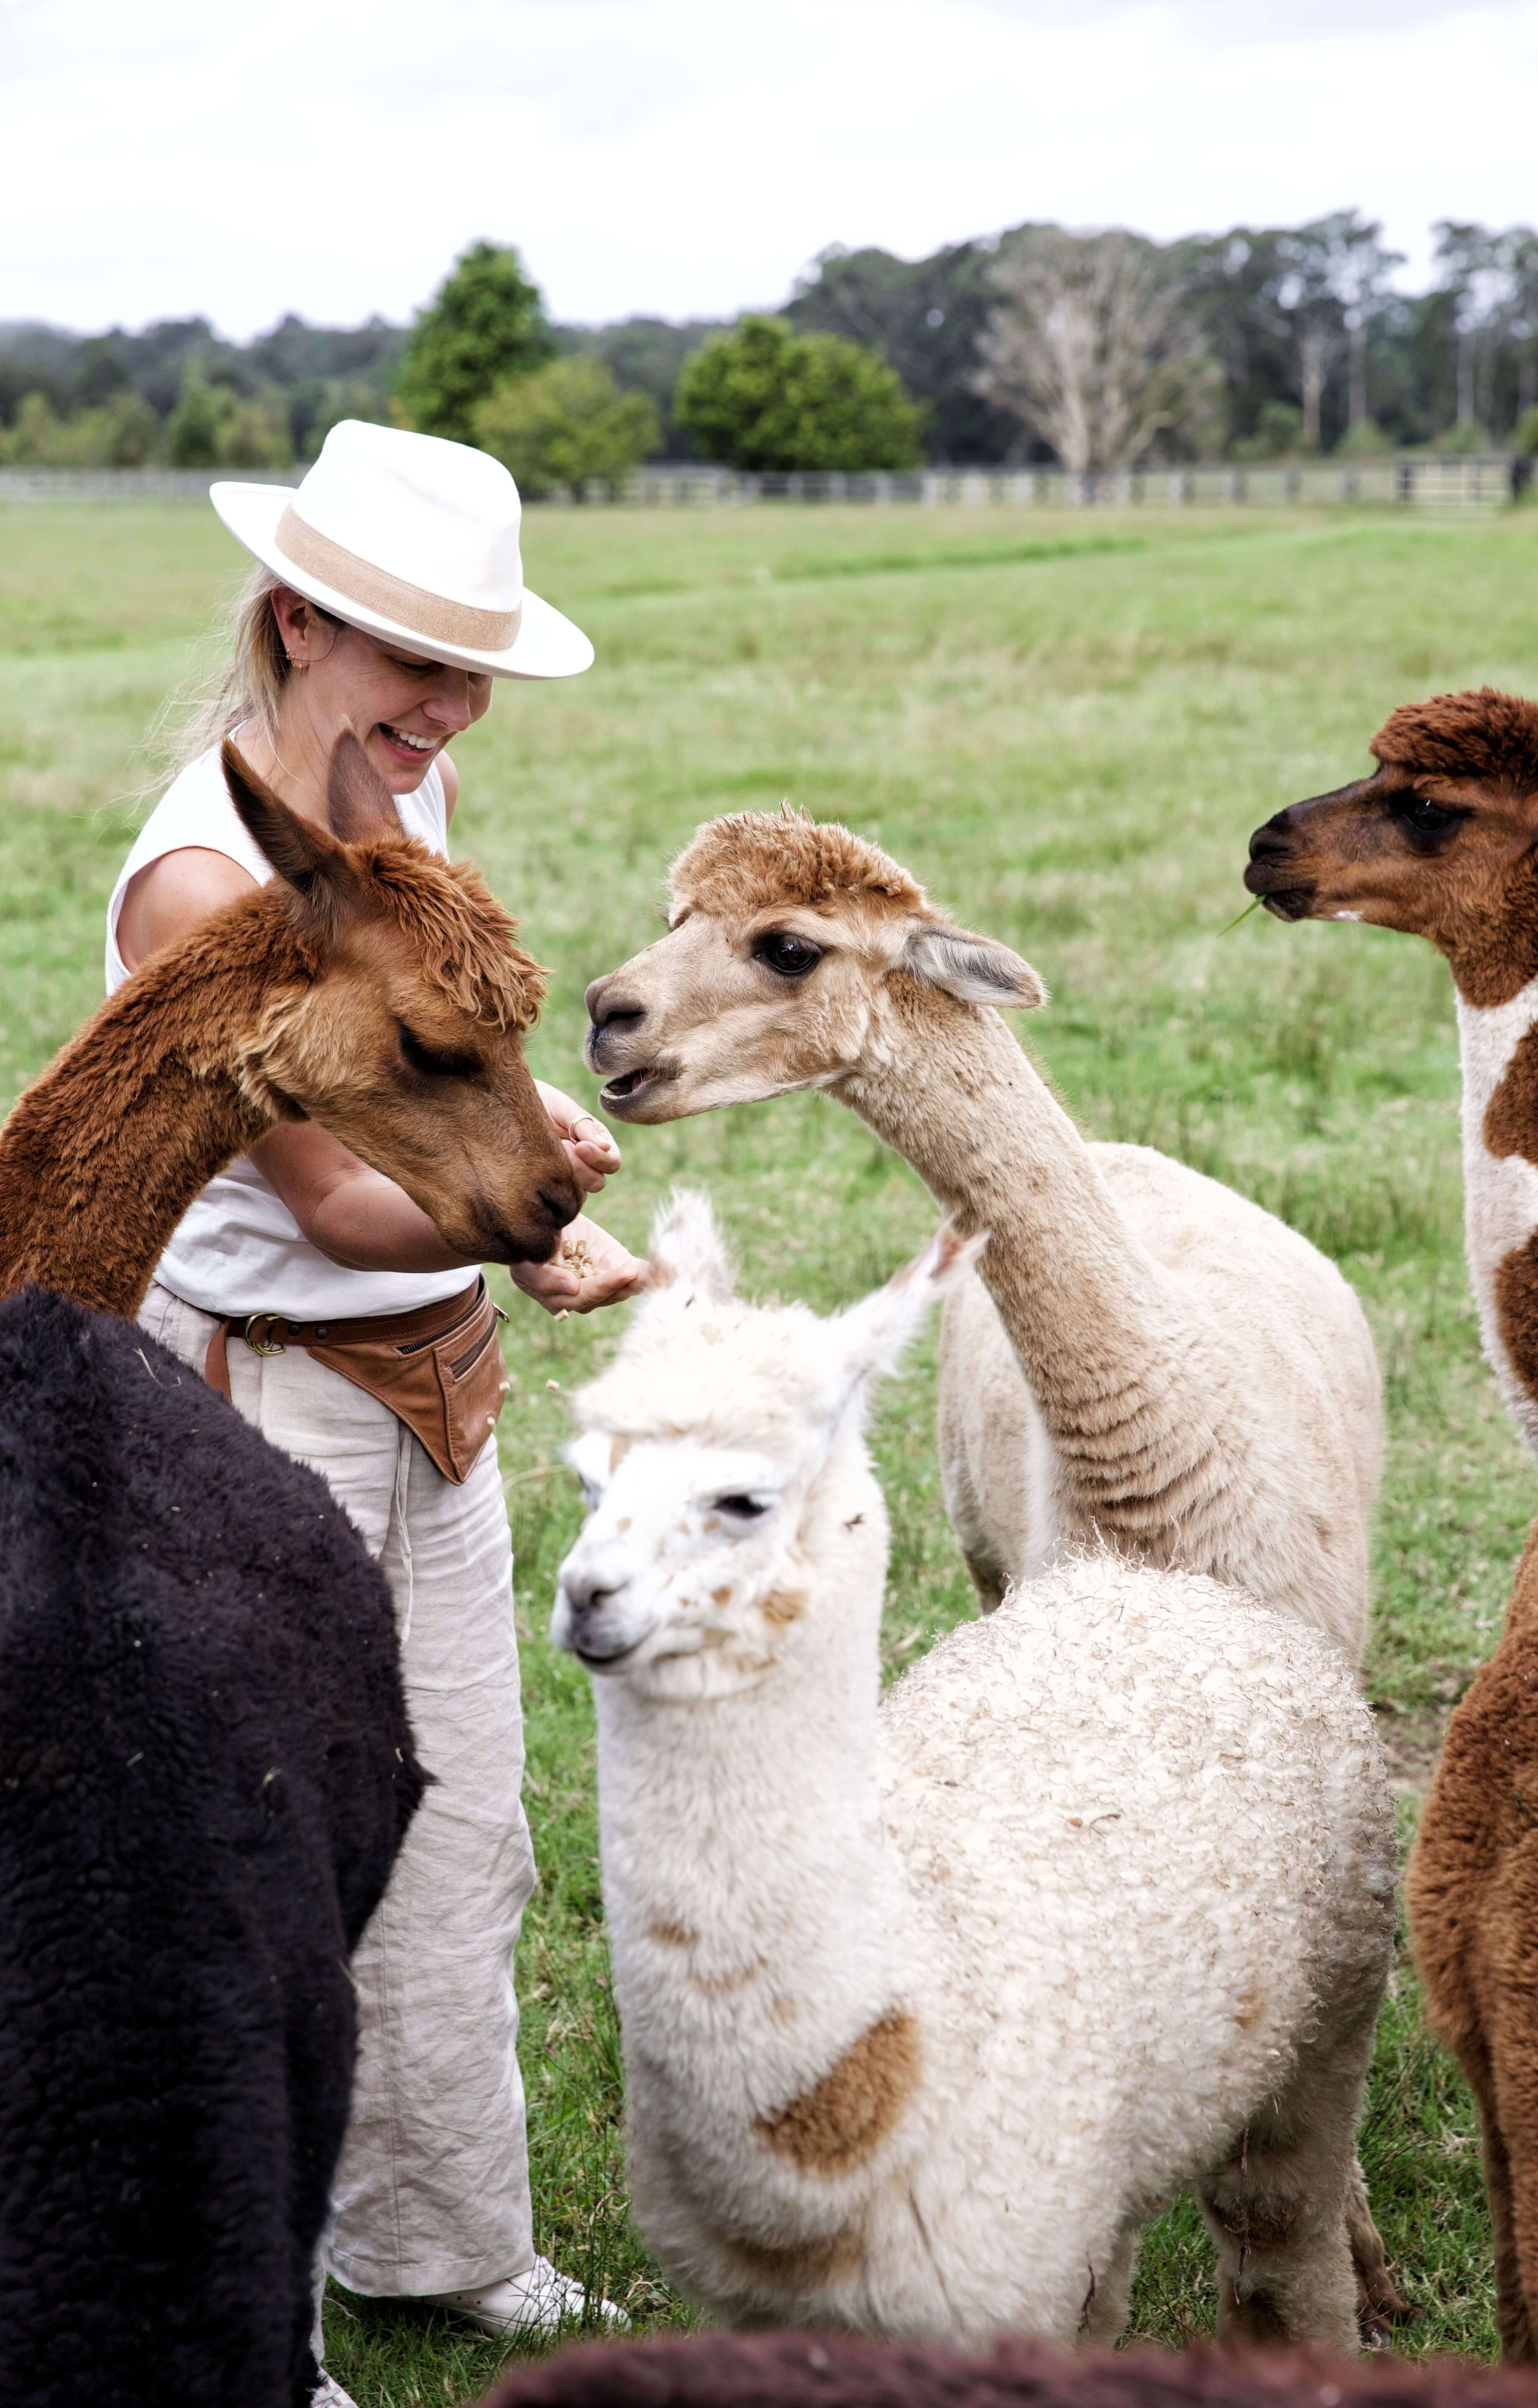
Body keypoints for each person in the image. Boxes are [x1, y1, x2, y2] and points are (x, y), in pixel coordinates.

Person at [107, 421, 644, 2401]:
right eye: (413, 659)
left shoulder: (404, 807)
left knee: (463, 1833)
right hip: (267, 1409)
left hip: (431, 1386)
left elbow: (450, 1097)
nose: (449, 703)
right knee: (266, 1859)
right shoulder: (200, 880)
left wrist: (538, 1162)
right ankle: (262, 2312)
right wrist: (537, 1212)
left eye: (471, 659)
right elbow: (334, 1195)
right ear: (297, 622)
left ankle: (442, 2240)